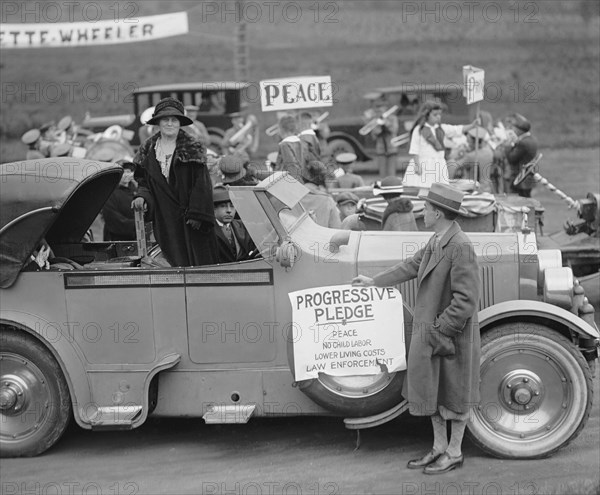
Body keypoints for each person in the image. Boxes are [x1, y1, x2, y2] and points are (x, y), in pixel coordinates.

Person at [352, 183, 480, 474]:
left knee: (456, 395)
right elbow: (412, 265)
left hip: (450, 337)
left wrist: (439, 331)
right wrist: (375, 281)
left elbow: (466, 300)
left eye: (427, 209)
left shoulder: (460, 246)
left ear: (439, 212)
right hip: (434, 335)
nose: (422, 213)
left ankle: (455, 451)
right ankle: (438, 448)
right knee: (432, 392)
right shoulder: (438, 240)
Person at [132, 97, 218, 267]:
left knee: (198, 260)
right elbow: (143, 181)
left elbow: (202, 184)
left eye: (174, 120)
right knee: (173, 260)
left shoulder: (193, 147)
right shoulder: (148, 149)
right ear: (158, 122)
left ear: (180, 123)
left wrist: (197, 214)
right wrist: (141, 196)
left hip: (192, 218)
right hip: (165, 216)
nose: (170, 123)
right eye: (165, 119)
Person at [404, 101, 478, 190]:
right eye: (435, 115)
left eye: (439, 115)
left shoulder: (441, 128)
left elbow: (457, 129)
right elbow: (414, 150)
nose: (438, 117)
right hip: (424, 164)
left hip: (439, 164)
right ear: (427, 115)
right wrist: (417, 165)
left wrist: (472, 125)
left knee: (439, 190)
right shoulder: (419, 129)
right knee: (423, 188)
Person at [213, 185, 257, 263]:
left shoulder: (242, 226)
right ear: (213, 209)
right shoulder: (207, 230)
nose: (229, 210)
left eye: (232, 206)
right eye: (223, 206)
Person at [500, 113, 538, 197]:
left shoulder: (523, 143)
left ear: (519, 130)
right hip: (528, 177)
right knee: (527, 198)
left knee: (522, 201)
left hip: (521, 178)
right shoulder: (531, 139)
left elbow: (511, 159)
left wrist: (508, 146)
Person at [299, 161, 342, 229]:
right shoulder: (327, 200)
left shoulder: (292, 197)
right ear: (323, 178)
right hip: (322, 238)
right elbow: (336, 229)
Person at [102, 160, 138, 241]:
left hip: (137, 237)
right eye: (123, 172)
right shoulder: (109, 193)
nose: (126, 175)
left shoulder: (137, 190)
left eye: (128, 172)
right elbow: (112, 218)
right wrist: (136, 225)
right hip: (117, 240)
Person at [364, 99, 400, 178]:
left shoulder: (393, 118)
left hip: (392, 149)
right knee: (382, 175)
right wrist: (378, 124)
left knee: (391, 175)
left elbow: (394, 130)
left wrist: (386, 122)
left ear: (386, 108)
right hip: (381, 149)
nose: (380, 110)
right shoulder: (375, 120)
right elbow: (374, 134)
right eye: (378, 108)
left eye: (382, 107)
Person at [453, 127, 495, 192]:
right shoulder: (489, 152)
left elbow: (454, 166)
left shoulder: (472, 156)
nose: (468, 144)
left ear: (475, 141)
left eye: (469, 142)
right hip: (487, 188)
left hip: (475, 190)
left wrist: (458, 153)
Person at [275, 115, 306, 182]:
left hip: (288, 181)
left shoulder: (285, 145)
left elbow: (291, 165)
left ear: (281, 129)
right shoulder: (300, 142)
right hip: (300, 178)